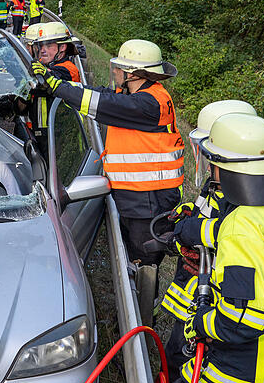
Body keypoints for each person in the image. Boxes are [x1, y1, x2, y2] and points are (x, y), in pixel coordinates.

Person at [169, 113, 264, 383]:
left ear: (225, 168)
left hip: (245, 381)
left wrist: (200, 322)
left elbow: (243, 320)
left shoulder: (241, 227)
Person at [32, 38, 183, 269]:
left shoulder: (147, 104)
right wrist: (58, 85)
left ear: (134, 73)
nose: (115, 71)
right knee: (133, 258)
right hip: (141, 196)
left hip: (149, 200)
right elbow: (94, 92)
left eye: (120, 67)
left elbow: (100, 103)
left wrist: (55, 85)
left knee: (143, 264)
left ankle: (143, 303)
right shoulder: (140, 95)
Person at [158, 100, 256, 377]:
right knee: (176, 356)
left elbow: (226, 234)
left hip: (216, 302)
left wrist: (190, 233)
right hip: (195, 292)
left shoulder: (244, 197)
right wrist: (188, 215)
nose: (204, 158)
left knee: (185, 365)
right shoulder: (220, 182)